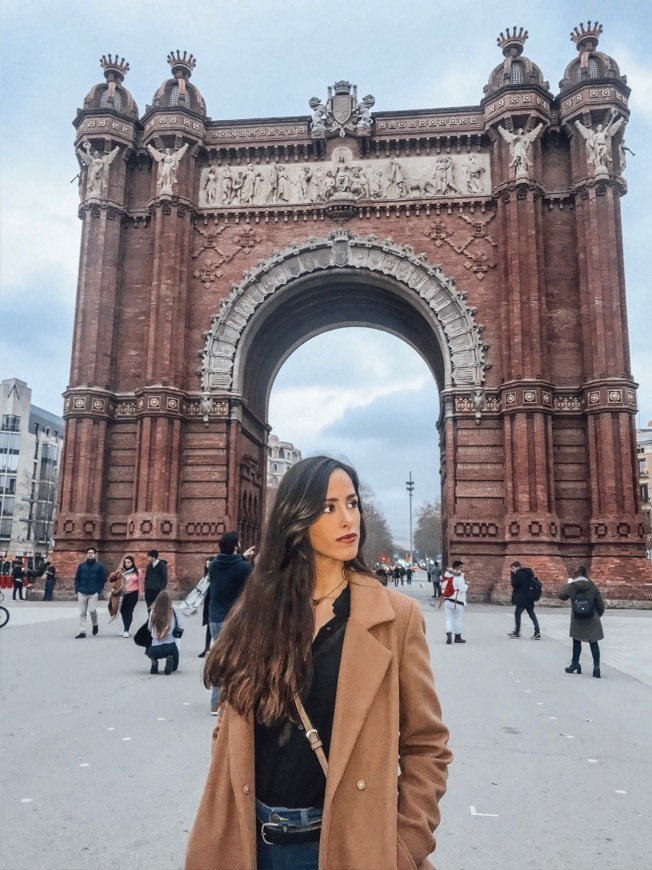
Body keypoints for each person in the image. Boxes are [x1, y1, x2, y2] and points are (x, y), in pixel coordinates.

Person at [186, 455, 452, 870]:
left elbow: (426, 745)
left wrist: (403, 845)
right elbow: (229, 725)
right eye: (328, 508)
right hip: (250, 847)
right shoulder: (256, 611)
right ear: (296, 519)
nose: (349, 519)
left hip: (343, 849)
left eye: (352, 503)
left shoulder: (395, 619)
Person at [207, 532, 254, 714]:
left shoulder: (213, 565)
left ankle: (215, 702)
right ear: (236, 546)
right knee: (236, 660)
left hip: (215, 618)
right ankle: (234, 701)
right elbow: (250, 587)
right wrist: (245, 560)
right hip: (234, 619)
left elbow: (227, 566)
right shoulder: (243, 568)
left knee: (220, 657)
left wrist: (242, 557)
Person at [558, 566, 605, 678]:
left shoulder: (572, 586)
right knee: (594, 642)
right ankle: (596, 667)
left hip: (577, 617)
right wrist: (598, 615)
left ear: (576, 575)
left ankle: (575, 664)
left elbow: (562, 596)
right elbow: (600, 603)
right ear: (586, 574)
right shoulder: (592, 586)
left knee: (576, 641)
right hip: (591, 617)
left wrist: (569, 584)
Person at [73, 547, 107, 638]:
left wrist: (98, 590)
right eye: (88, 553)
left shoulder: (99, 566)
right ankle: (82, 632)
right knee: (82, 612)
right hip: (82, 591)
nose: (90, 554)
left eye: (92, 552)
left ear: (94, 554)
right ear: (86, 554)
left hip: (93, 592)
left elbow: (102, 580)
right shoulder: (82, 566)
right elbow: (77, 578)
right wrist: (77, 588)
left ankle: (95, 624)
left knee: (92, 610)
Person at [145, 590, 181, 675]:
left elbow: (149, 627)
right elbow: (178, 626)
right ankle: (170, 658)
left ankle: (154, 661)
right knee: (175, 666)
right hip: (170, 646)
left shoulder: (153, 612)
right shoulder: (173, 612)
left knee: (150, 650)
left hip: (155, 647)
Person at [507, 561, 541, 640]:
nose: (512, 570)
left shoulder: (519, 574)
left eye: (513, 568)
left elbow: (514, 584)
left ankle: (517, 632)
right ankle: (537, 632)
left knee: (517, 614)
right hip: (529, 598)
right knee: (532, 615)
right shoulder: (528, 573)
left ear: (518, 567)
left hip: (522, 598)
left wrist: (513, 574)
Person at [441, 560, 468, 644]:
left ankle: (449, 634)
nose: (462, 569)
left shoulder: (446, 575)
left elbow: (442, 586)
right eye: (461, 567)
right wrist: (467, 584)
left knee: (448, 619)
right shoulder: (459, 577)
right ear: (457, 567)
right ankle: (457, 637)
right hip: (457, 600)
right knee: (458, 619)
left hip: (447, 600)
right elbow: (462, 589)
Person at [119, 555, 143, 637]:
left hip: (133, 593)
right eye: (125, 562)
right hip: (123, 594)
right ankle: (125, 627)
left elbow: (140, 583)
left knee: (129, 611)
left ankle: (126, 630)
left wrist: (140, 593)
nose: (127, 564)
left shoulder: (137, 572)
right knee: (122, 610)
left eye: (128, 562)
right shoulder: (123, 572)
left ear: (132, 563)